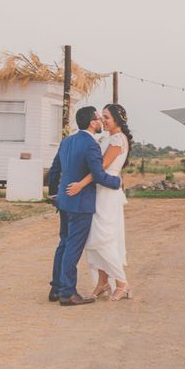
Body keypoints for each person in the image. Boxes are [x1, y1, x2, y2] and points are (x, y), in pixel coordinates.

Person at [47, 107, 121, 306]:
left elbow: (54, 171)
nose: (100, 122)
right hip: (80, 204)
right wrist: (116, 182)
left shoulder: (67, 141)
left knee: (63, 244)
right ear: (91, 122)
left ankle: (56, 288)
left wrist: (54, 195)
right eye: (98, 118)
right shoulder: (91, 145)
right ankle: (68, 293)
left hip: (64, 201)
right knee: (73, 247)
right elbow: (98, 175)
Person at [66, 104, 133, 301]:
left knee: (102, 237)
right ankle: (102, 282)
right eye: (101, 117)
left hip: (107, 192)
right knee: (94, 236)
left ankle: (122, 282)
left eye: (106, 117)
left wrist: (80, 184)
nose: (103, 120)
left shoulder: (118, 139)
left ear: (117, 120)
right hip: (99, 190)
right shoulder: (107, 138)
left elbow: (101, 167)